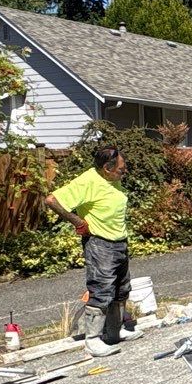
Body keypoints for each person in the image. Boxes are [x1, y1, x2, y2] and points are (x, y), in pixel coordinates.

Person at [46, 143, 134, 356]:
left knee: (121, 289)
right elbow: (52, 200)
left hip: (119, 242)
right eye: (121, 169)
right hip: (100, 244)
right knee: (102, 290)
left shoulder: (112, 180)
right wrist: (78, 222)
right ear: (107, 169)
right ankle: (93, 340)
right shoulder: (88, 181)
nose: (124, 172)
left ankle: (115, 332)